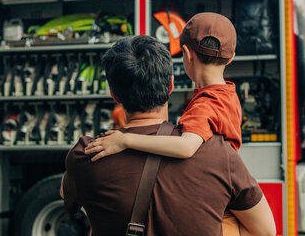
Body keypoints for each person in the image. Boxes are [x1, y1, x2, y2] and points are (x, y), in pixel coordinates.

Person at [61, 35, 276, 236]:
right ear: (171, 85)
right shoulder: (219, 152)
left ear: (114, 94)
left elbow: (67, 197)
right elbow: (266, 231)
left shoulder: (87, 154)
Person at [84, 12, 245, 232]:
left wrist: (126, 140)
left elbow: (186, 147)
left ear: (187, 54)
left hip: (220, 199)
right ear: (231, 57)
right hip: (227, 189)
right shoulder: (228, 95)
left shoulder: (205, 105)